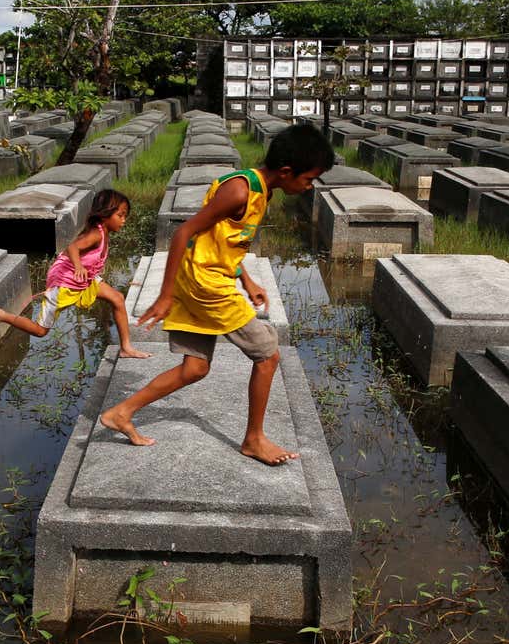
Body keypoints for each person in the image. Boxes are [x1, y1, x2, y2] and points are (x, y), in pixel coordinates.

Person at [99, 123, 335, 465]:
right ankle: (253, 439)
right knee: (268, 356)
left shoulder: (261, 190)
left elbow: (221, 243)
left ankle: (121, 412)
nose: (309, 185)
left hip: (207, 276)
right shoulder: (240, 191)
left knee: (195, 368)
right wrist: (166, 296)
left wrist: (246, 278)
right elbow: (183, 234)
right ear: (287, 172)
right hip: (205, 286)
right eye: (309, 178)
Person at [0, 189, 151, 359]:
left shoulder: (103, 232)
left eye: (125, 216)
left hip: (84, 280)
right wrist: (78, 267)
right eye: (120, 215)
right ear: (105, 214)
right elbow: (72, 247)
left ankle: (126, 348)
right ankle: (1, 315)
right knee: (40, 330)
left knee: (117, 298)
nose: (124, 220)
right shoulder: (96, 233)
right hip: (64, 282)